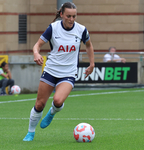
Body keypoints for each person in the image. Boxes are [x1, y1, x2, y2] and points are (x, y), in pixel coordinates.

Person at [23, 2, 94, 141]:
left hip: (68, 73)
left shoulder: (81, 30)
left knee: (57, 100)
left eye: (74, 16)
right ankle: (30, 132)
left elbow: (89, 46)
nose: (71, 19)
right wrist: (36, 54)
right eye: (68, 16)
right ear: (61, 14)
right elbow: (37, 45)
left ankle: (52, 113)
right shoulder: (53, 28)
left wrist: (92, 64)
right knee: (39, 104)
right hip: (51, 70)